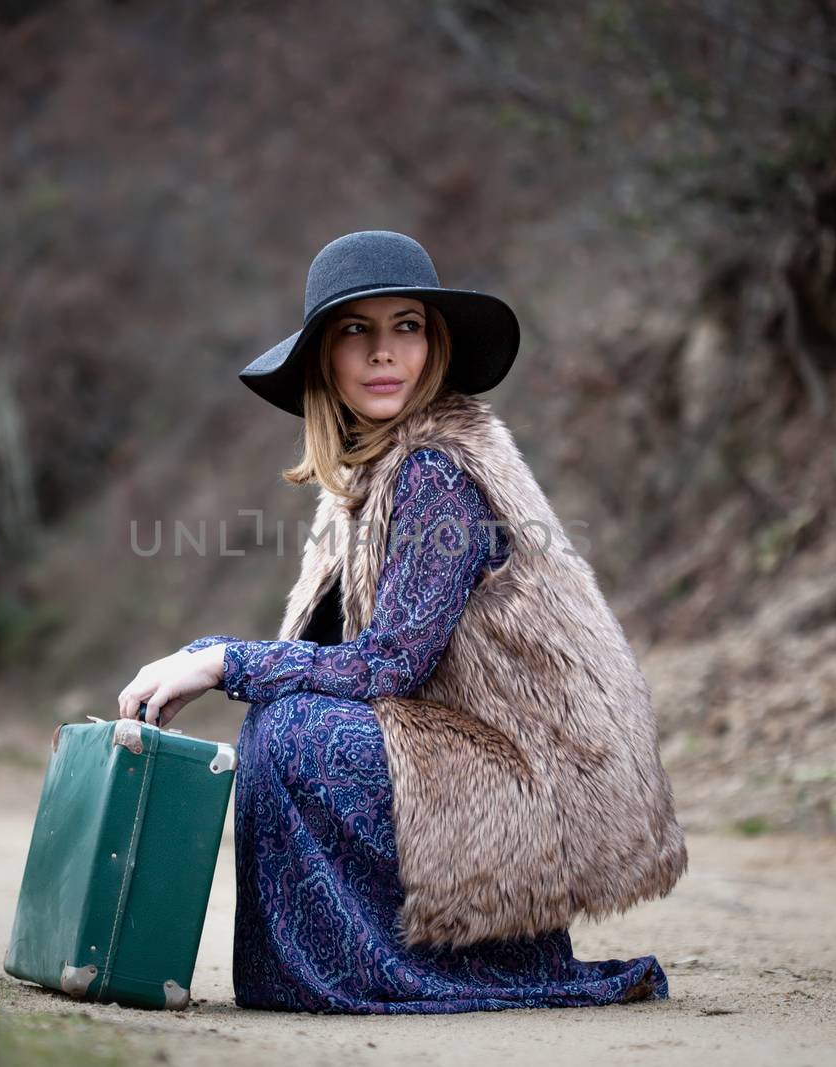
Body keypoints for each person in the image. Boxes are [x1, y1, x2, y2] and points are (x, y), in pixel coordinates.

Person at [116, 230, 688, 1014]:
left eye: (407, 326)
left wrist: (221, 661)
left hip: (533, 791)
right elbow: (327, 662)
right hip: (476, 772)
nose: (385, 353)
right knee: (284, 721)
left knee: (292, 730)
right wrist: (222, 659)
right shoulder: (363, 485)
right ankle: (341, 965)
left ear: (435, 344)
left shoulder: (433, 470)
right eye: (357, 330)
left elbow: (389, 665)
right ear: (325, 356)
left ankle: (397, 968)